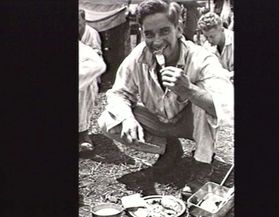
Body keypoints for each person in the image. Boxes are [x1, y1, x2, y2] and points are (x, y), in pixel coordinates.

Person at [98, 0, 233, 176]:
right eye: (149, 34)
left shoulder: (201, 59)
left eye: (164, 31)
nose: (157, 41)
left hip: (192, 125)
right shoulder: (138, 57)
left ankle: (202, 163)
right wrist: (127, 118)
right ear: (142, 33)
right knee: (109, 121)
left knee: (201, 94)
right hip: (160, 121)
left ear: (178, 29)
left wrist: (189, 90)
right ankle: (169, 149)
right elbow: (118, 93)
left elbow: (228, 107)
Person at [79, 10, 106, 156]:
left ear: (84, 19)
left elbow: (96, 62)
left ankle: (83, 132)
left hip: (89, 73)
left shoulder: (91, 34)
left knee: (85, 87)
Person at [198, 12, 234, 81]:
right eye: (206, 37)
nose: (209, 40)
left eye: (212, 36)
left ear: (222, 30)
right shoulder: (207, 46)